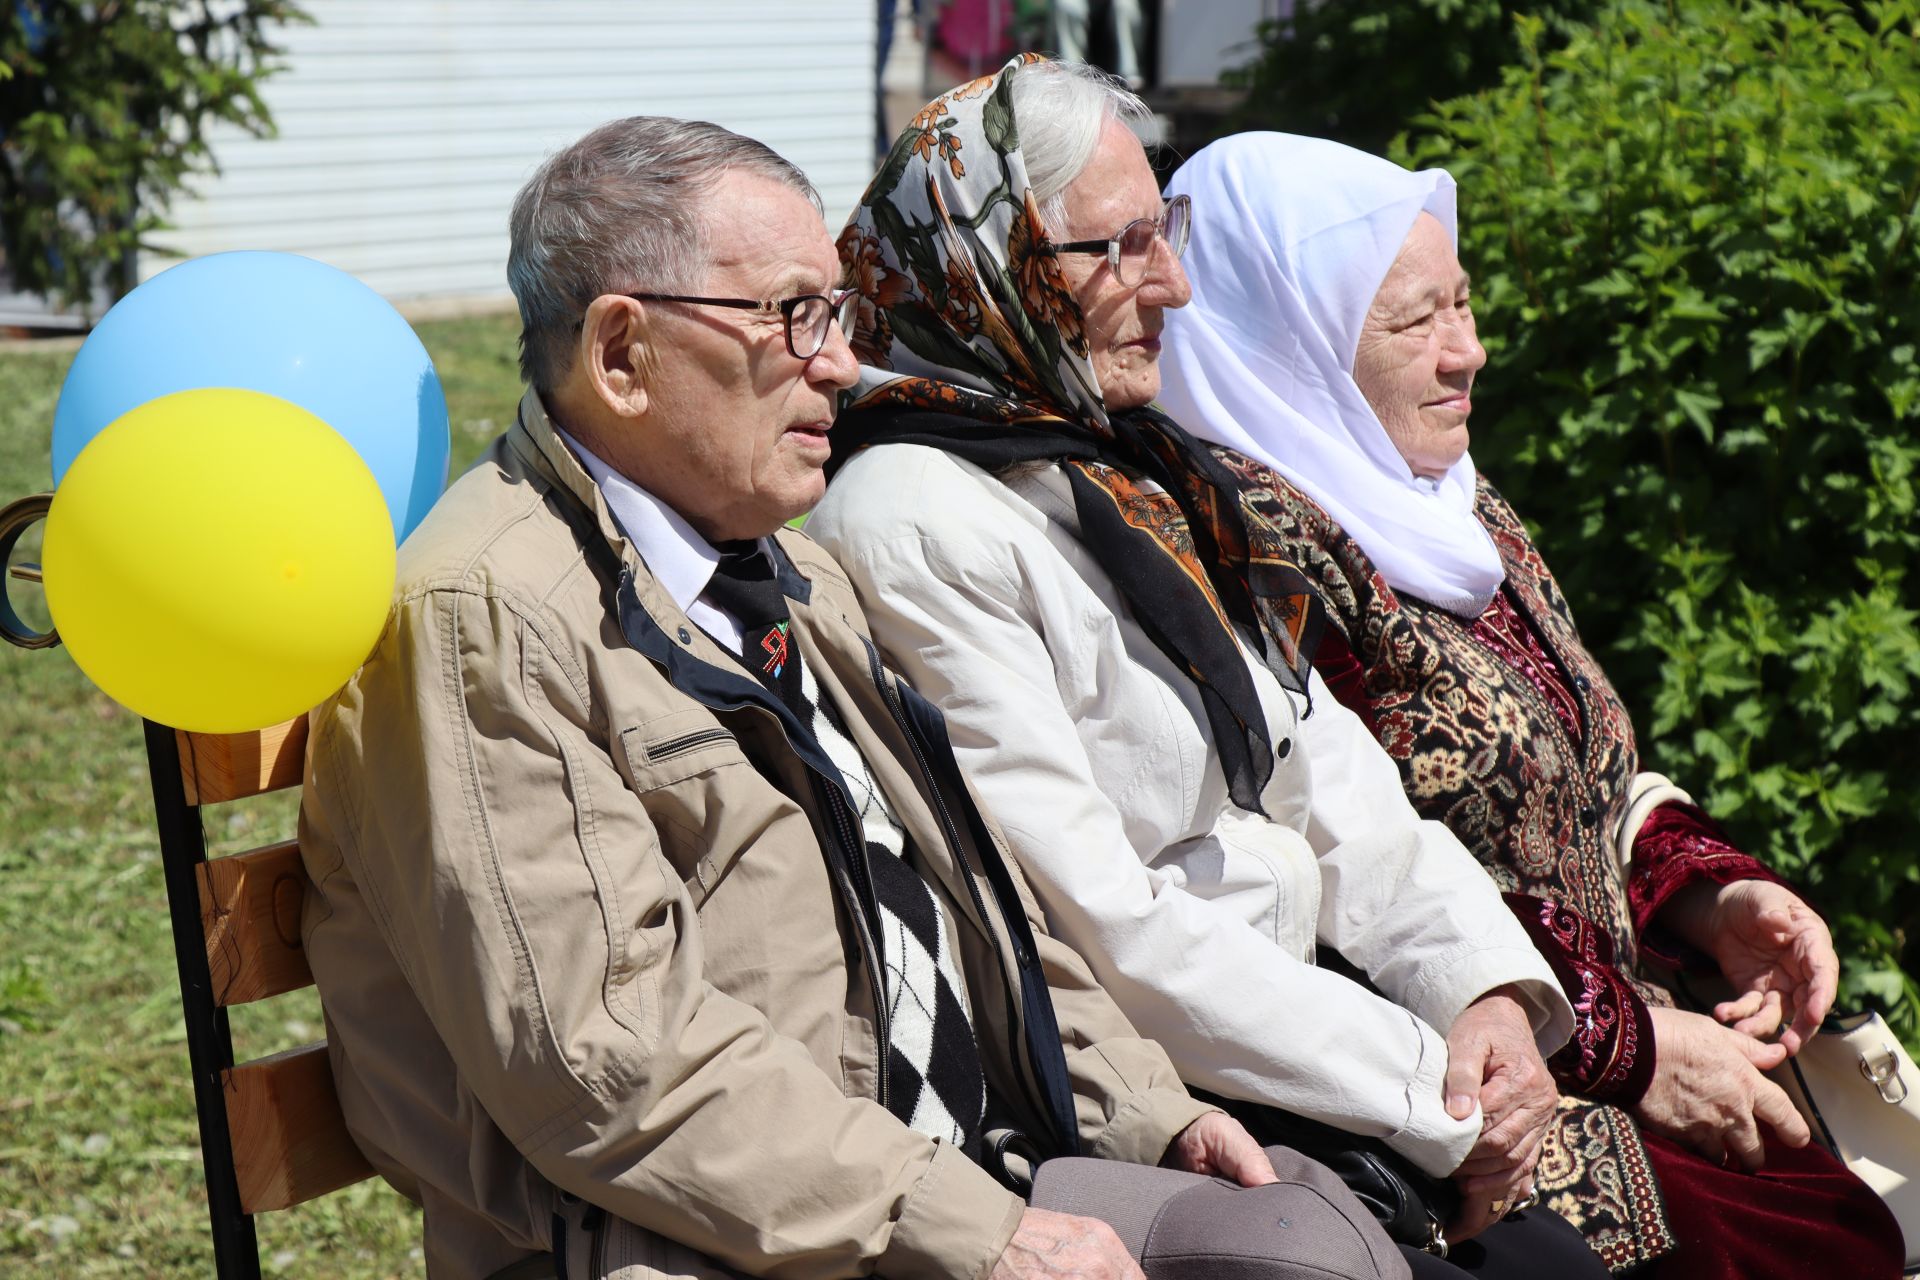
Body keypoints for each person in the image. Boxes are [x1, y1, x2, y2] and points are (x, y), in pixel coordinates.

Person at [296, 115, 1414, 1280]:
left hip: (934, 1184)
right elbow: (606, 1066)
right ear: (622, 355)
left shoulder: (782, 568)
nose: (842, 361)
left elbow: (979, 898)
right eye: (793, 315)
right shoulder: (491, 617)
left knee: (1316, 1236)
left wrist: (1144, 1105)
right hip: (713, 1243)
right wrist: (981, 1234)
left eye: (835, 312)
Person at [809, 57, 1606, 1279]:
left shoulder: (1124, 464)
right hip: (1170, 1088)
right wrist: (1435, 1094)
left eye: (1163, 230)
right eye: (1116, 248)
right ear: (989, 266)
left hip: (1320, 1036)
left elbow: (1325, 765)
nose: (1171, 282)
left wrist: (1480, 994)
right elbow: (1096, 920)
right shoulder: (914, 516)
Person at [1151, 130, 1907, 1278]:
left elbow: (1574, 776)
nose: (1472, 351)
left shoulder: (1448, 506)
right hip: (1468, 1088)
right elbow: (1329, 878)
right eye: (1416, 321)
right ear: (1283, 336)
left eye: (1463, 303)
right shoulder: (1245, 551)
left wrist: (1709, 891)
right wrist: (1633, 1043)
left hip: (1615, 1034)